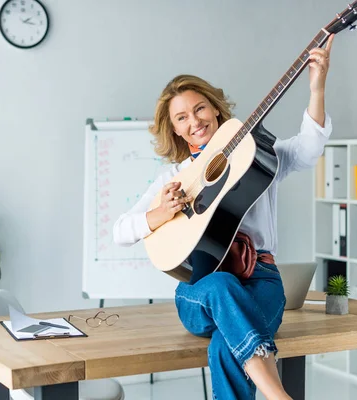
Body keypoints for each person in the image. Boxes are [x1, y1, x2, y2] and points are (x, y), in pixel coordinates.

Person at [113, 34, 335, 400]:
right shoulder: (172, 179)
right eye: (181, 117)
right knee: (220, 286)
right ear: (175, 130)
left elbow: (309, 150)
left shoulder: (254, 155)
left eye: (199, 108)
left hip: (262, 282)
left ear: (215, 109)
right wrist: (161, 212)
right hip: (200, 291)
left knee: (223, 345)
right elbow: (122, 231)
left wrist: (317, 88)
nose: (194, 121)